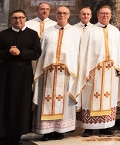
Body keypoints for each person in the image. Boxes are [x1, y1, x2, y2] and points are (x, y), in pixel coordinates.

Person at [0, 10, 41, 144]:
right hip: (4, 74)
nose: (18, 20)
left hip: (23, 74)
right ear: (11, 20)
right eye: (15, 18)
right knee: (2, 104)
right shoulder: (3, 34)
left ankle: (16, 136)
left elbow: (36, 53)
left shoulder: (32, 34)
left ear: (25, 19)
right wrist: (9, 52)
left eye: (21, 17)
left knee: (20, 104)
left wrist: (20, 52)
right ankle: (2, 135)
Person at [76, 6, 120, 137]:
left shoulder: (115, 31)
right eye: (102, 13)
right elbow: (84, 52)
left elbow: (119, 50)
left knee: (109, 98)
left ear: (111, 15)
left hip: (110, 71)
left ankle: (106, 126)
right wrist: (86, 70)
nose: (105, 15)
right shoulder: (90, 30)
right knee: (90, 98)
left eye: (107, 14)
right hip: (94, 72)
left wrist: (119, 67)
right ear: (97, 15)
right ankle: (88, 128)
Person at [32, 7, 80, 140]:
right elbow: (42, 52)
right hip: (48, 73)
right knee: (46, 101)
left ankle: (60, 130)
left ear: (69, 15)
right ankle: (46, 131)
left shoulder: (75, 32)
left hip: (66, 73)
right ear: (55, 15)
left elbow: (77, 53)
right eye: (59, 13)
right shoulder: (48, 32)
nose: (62, 15)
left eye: (65, 13)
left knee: (64, 101)